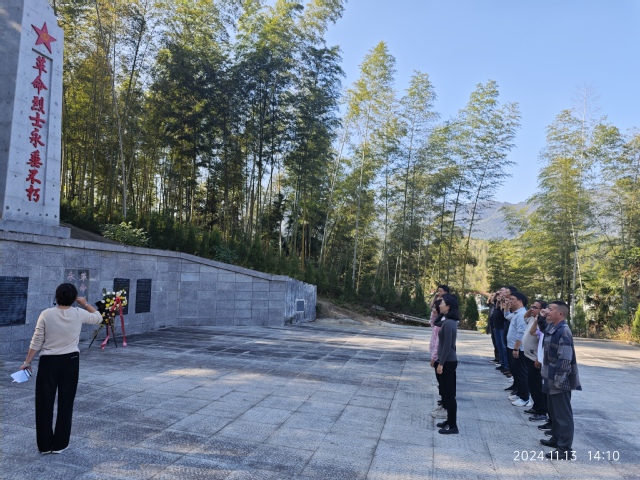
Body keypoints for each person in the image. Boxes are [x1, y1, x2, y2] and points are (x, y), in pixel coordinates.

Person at [20, 283, 102, 454]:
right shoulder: (78, 313)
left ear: (56, 296)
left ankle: (44, 445)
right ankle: (60, 444)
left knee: (44, 402)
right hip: (71, 361)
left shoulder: (46, 314)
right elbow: (98, 318)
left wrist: (27, 362)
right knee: (66, 402)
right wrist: (85, 303)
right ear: (74, 298)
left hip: (48, 361)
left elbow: (37, 340)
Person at [539, 301, 581, 460]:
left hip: (559, 380)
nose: (547, 311)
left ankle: (565, 449)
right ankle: (556, 439)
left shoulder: (563, 331)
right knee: (553, 412)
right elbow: (543, 328)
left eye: (550, 309)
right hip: (549, 377)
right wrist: (541, 317)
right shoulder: (553, 327)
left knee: (563, 416)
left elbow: (565, 358)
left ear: (560, 314)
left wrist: (558, 380)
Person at [435, 293, 460, 434]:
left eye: (442, 303)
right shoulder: (448, 321)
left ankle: (453, 425)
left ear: (448, 306)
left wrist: (441, 363)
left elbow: (447, 346)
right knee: (446, 392)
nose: (440, 305)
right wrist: (441, 313)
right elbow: (436, 323)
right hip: (446, 361)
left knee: (450, 395)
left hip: (448, 362)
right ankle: (449, 421)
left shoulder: (450, 324)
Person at [522, 300, 548, 421]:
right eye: (531, 306)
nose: (532, 309)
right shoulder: (533, 319)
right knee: (532, 384)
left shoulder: (543, 323)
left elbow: (542, 342)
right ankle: (536, 406)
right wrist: (532, 310)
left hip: (535, 359)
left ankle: (541, 411)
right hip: (529, 356)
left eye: (535, 307)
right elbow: (525, 316)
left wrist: (538, 358)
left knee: (537, 385)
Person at [506, 291, 530, 406]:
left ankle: (525, 398)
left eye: (512, 300)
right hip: (512, 347)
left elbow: (521, 332)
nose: (510, 302)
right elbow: (506, 316)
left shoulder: (521, 315)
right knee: (515, 371)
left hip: (518, 349)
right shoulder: (516, 313)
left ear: (520, 301)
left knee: (521, 373)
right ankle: (520, 393)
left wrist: (516, 348)